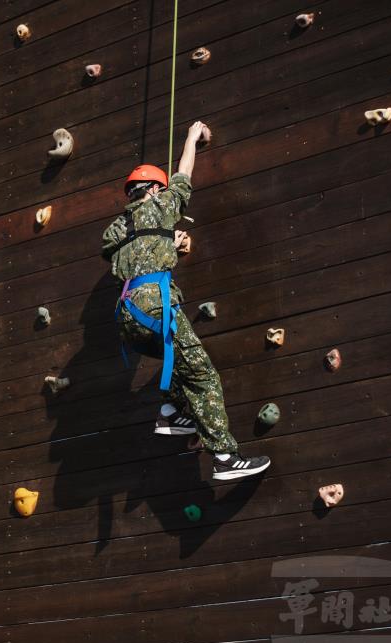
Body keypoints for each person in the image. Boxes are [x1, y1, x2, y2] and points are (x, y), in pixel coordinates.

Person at [101, 121, 271, 481]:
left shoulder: (116, 229)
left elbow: (137, 253)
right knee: (203, 376)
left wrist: (168, 246)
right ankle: (225, 456)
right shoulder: (161, 204)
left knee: (178, 363)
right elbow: (183, 173)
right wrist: (193, 137)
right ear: (152, 191)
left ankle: (171, 412)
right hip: (157, 309)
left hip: (128, 320)